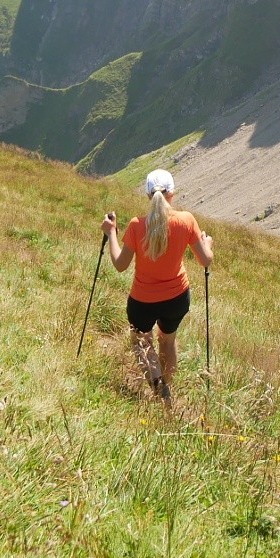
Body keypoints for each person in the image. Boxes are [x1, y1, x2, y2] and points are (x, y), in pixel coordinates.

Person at [100, 169, 214, 403]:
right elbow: (206, 260)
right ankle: (167, 392)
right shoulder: (186, 220)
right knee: (168, 340)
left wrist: (111, 233)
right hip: (177, 297)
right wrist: (207, 243)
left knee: (142, 342)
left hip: (143, 301)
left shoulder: (136, 225)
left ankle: (159, 390)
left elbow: (120, 265)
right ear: (172, 193)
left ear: (147, 195)